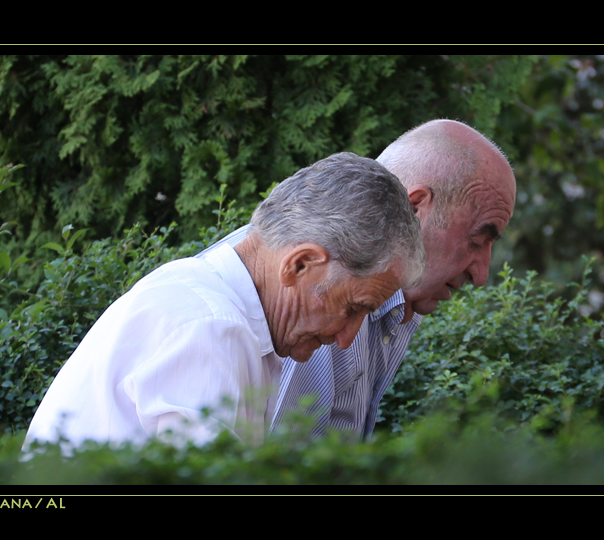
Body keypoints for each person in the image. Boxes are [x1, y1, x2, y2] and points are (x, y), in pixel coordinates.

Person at [23, 152, 425, 450]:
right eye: (354, 308)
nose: (346, 338)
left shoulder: (204, 297)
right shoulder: (212, 330)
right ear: (300, 264)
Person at [200, 119, 516, 442]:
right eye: (477, 240)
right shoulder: (324, 289)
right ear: (414, 209)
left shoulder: (395, 297)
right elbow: (272, 471)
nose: (482, 275)